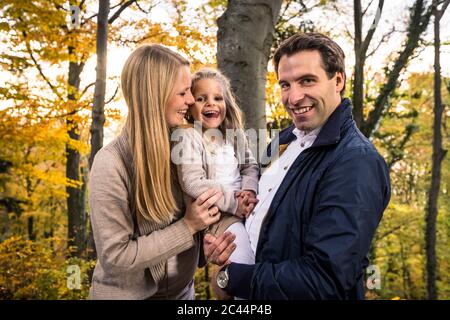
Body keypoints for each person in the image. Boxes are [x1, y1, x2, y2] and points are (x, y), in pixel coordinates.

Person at [204, 32, 391, 299]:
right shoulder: (283, 140)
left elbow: (325, 279)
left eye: (307, 81)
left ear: (338, 80)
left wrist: (232, 278)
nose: (293, 98)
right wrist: (226, 245)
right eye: (285, 85)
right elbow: (258, 214)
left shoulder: (356, 161)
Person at [88, 44, 224, 300]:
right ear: (155, 94)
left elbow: (203, 217)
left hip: (183, 294)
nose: (191, 100)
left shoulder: (187, 147)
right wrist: (189, 226)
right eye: (183, 92)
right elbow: (117, 257)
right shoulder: (111, 163)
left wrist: (210, 241)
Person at [172, 68, 259, 272]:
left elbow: (250, 166)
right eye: (202, 98)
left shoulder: (234, 136)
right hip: (218, 216)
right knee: (244, 258)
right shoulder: (189, 137)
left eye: (217, 98)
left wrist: (249, 192)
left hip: (247, 206)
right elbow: (193, 183)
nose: (211, 103)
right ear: (191, 106)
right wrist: (234, 202)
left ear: (226, 104)